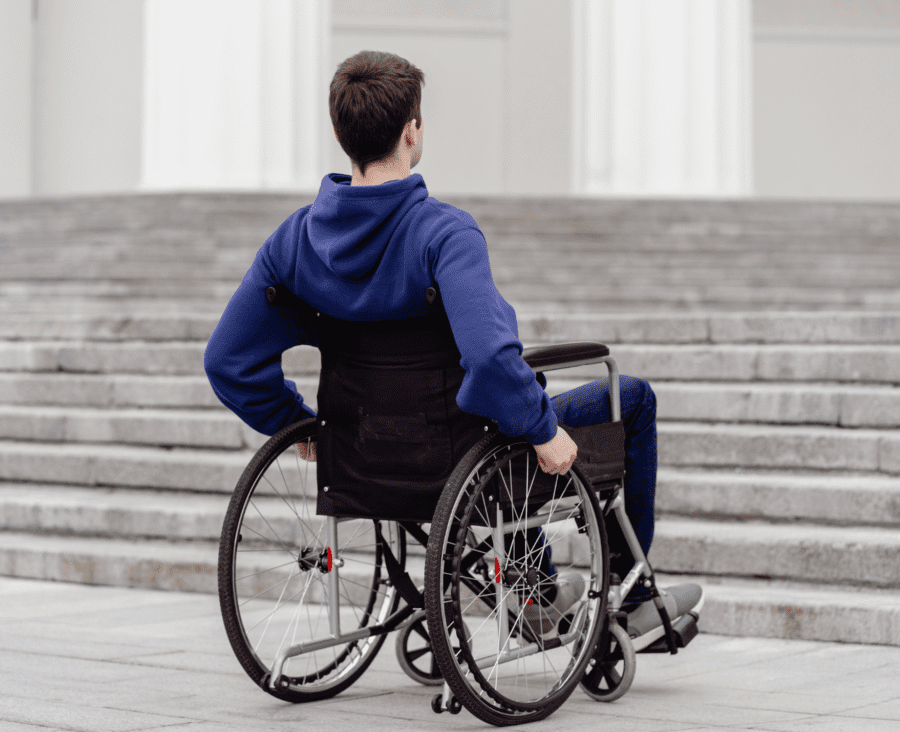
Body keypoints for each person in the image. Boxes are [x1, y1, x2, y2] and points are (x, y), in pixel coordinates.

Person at [204, 50, 700, 648]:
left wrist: (302, 426)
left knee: (491, 419)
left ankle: (538, 592)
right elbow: (490, 362)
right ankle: (628, 594)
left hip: (361, 460)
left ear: (343, 137)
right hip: (457, 457)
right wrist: (545, 432)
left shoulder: (295, 242)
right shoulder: (444, 234)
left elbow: (227, 361)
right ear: (411, 131)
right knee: (628, 399)